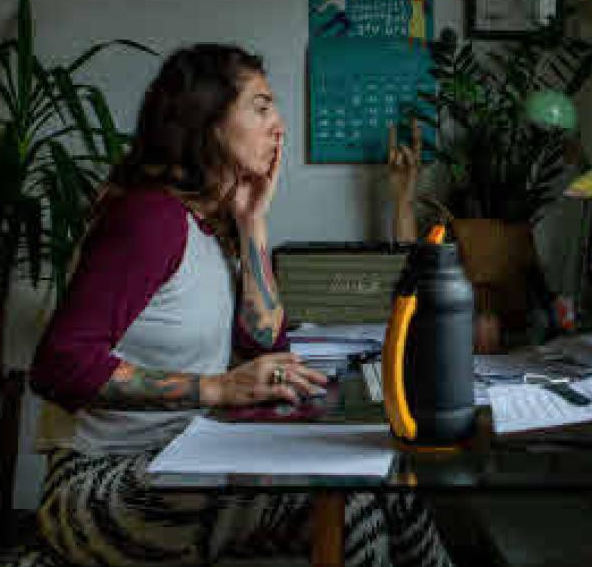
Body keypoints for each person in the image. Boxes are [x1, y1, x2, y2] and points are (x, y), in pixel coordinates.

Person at [28, 44, 453, 567]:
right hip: (99, 489)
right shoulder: (148, 218)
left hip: (177, 457)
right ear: (208, 122)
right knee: (354, 502)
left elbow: (263, 343)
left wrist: (253, 223)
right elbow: (58, 365)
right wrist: (217, 387)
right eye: (260, 107)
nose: (279, 126)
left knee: (390, 483)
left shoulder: (204, 228)